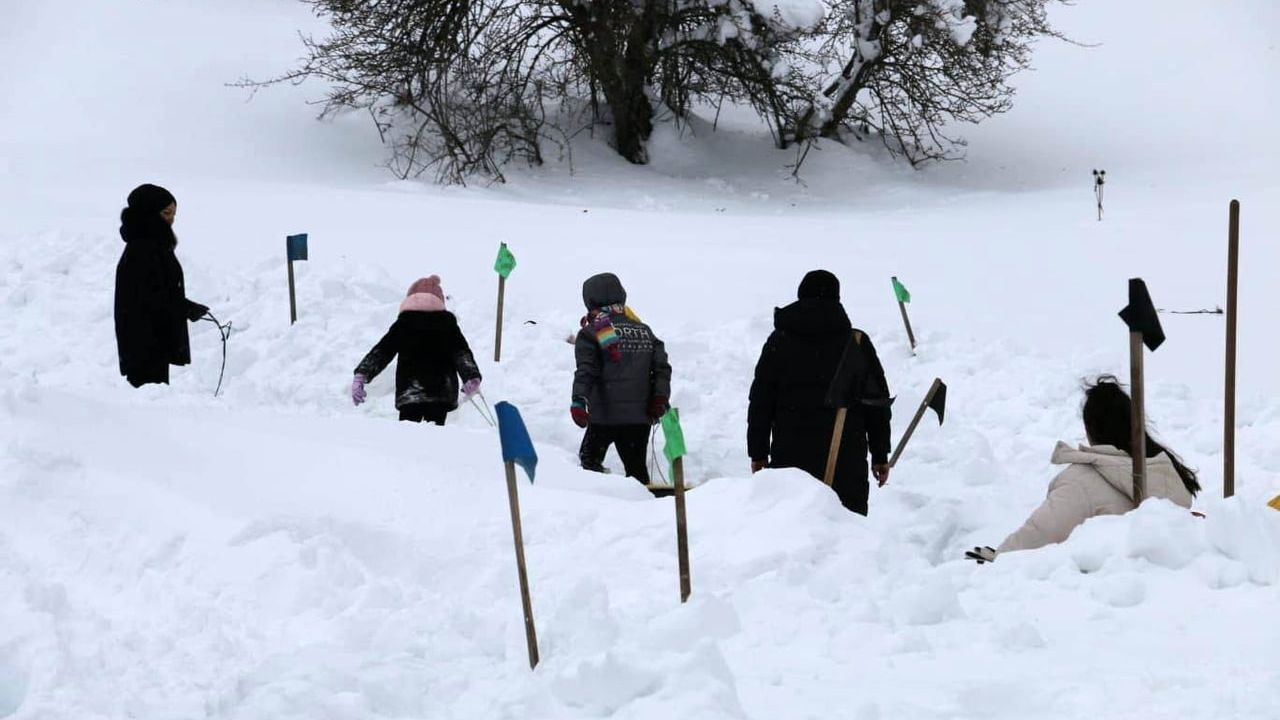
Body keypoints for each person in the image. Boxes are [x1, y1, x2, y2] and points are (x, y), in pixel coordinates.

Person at [967, 376, 1200, 562]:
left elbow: (1042, 532)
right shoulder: (1165, 472)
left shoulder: (1080, 481)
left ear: (1090, 430)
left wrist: (999, 557)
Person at [747, 269, 893, 515]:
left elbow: (761, 401)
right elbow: (876, 405)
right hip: (844, 462)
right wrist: (880, 454)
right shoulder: (856, 342)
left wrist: (758, 453)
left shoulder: (779, 341)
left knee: (791, 531)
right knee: (847, 538)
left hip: (789, 458)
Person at [571, 272, 672, 486]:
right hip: (637, 419)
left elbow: (586, 370)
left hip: (603, 419)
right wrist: (659, 398)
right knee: (637, 475)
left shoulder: (591, 333)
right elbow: (662, 369)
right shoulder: (644, 331)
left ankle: (601, 510)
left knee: (589, 469)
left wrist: (579, 400)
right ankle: (645, 513)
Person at [114, 184, 210, 388]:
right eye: (166, 213)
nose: (171, 219)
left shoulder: (151, 245)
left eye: (174, 214)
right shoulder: (144, 248)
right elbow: (151, 296)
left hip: (151, 341)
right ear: (149, 213)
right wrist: (186, 308)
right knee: (149, 400)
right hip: (145, 342)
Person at [351, 275, 481, 425]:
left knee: (408, 441)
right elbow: (461, 353)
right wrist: (470, 375)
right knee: (434, 440)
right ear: (439, 300)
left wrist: (362, 374)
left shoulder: (404, 324)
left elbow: (382, 351)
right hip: (440, 392)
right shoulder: (447, 325)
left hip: (409, 392)